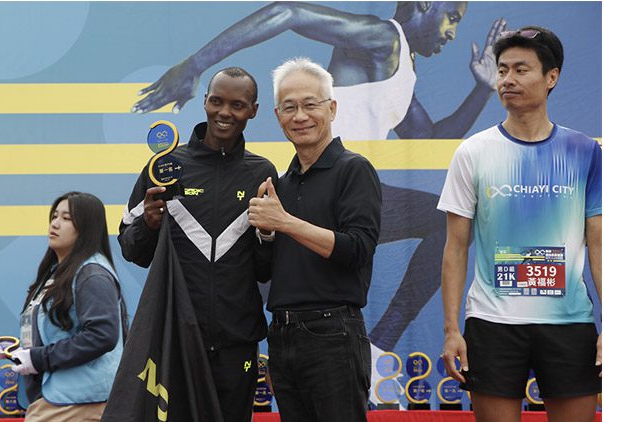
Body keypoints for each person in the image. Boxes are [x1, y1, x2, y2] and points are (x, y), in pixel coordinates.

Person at [131, 1, 507, 359]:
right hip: (313, 188)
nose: (452, 33)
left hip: (347, 192)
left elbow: (427, 138)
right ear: (425, 4)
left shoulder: (400, 62)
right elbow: (289, 11)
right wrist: (194, 65)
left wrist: (482, 89)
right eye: (452, 17)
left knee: (441, 225)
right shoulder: (383, 38)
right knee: (265, 294)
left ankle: (376, 349)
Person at [438, 27, 601, 422]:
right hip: (492, 323)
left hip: (568, 323)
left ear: (551, 77)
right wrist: (452, 330)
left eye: (521, 70)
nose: (507, 79)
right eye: (502, 70)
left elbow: (600, 243)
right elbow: (455, 246)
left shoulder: (585, 151)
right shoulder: (473, 152)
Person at [118, 67, 277, 422]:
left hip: (237, 340)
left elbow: (266, 269)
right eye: (217, 101)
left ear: (253, 110)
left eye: (237, 105)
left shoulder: (262, 173)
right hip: (174, 337)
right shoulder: (164, 167)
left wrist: (268, 236)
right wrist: (148, 224)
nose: (224, 112)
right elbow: (131, 250)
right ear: (204, 101)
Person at [248, 58, 381, 421]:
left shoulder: (354, 169)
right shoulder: (280, 184)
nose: (300, 116)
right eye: (289, 107)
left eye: (310, 104)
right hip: (282, 334)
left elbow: (358, 249)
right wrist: (266, 232)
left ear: (331, 108)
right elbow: (264, 271)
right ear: (277, 115)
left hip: (333, 333)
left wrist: (285, 222)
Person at [0, 191, 126, 421]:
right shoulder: (56, 273)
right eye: (54, 216)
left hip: (80, 403)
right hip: (55, 400)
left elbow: (102, 335)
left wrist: (38, 358)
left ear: (87, 227)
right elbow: (60, 336)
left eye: (67, 218)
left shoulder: (92, 274)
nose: (55, 223)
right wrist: (16, 351)